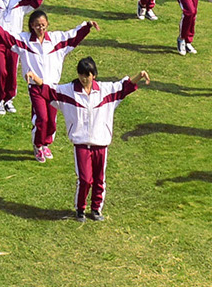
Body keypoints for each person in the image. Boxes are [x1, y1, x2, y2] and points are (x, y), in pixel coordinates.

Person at [54, 62, 145, 219]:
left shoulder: (105, 90)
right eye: (81, 74)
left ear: (93, 75)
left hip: (101, 143)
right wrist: (35, 79)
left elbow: (125, 87)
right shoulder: (69, 90)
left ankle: (96, 209)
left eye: (87, 75)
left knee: (99, 179)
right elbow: (49, 91)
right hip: (81, 142)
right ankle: (80, 209)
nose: (83, 78)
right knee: (84, 179)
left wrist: (140, 75)